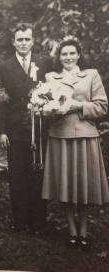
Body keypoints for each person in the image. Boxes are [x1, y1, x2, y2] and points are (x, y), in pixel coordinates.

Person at [41, 36, 109, 251]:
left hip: (85, 136)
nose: (68, 57)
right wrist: (48, 108)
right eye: (64, 54)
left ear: (78, 55)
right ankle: (71, 230)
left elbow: (102, 107)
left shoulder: (90, 75)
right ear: (59, 58)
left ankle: (84, 231)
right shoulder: (50, 77)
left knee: (84, 185)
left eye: (72, 53)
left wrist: (77, 106)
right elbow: (46, 107)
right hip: (60, 135)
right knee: (65, 185)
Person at [0, 23, 53, 233]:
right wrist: (1, 131)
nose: (23, 43)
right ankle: (20, 221)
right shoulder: (3, 67)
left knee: (38, 174)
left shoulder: (46, 62)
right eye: (19, 39)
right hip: (15, 130)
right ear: (13, 42)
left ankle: (38, 222)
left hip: (39, 129)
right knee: (18, 176)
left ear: (33, 40)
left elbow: (55, 91)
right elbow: (1, 102)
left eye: (27, 39)